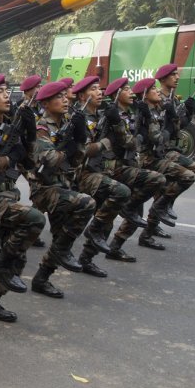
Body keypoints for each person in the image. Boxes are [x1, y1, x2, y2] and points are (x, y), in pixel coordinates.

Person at [0, 74, 46, 322]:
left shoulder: (9, 126)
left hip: (8, 195)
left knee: (18, 256)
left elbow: (31, 163)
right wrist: (9, 156)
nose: (6, 95)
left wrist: (30, 135)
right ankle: (1, 267)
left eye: (6, 91)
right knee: (34, 219)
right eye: (0, 92)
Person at [28, 81, 96, 298]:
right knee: (87, 203)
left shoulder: (67, 122)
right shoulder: (41, 128)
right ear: (46, 103)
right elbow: (49, 160)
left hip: (62, 185)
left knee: (61, 237)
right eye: (59, 97)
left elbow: (78, 159)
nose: (66, 100)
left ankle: (41, 279)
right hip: (44, 189)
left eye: (65, 96)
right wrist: (69, 144)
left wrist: (79, 137)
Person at [97, 78, 166, 261]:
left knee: (136, 212)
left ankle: (114, 248)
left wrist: (145, 122)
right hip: (112, 168)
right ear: (117, 94)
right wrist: (142, 136)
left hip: (128, 165)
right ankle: (88, 257)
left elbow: (145, 137)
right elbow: (129, 142)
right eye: (126, 89)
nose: (131, 93)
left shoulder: (130, 113)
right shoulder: (112, 115)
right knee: (107, 218)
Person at [131, 76, 195, 250]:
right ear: (146, 94)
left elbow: (175, 130)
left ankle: (149, 231)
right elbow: (157, 138)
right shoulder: (144, 111)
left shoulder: (158, 107)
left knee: (165, 190)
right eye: (153, 89)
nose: (177, 77)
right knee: (134, 204)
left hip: (161, 154)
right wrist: (168, 125)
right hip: (148, 159)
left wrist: (187, 114)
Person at [71, 77, 131, 278]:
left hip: (101, 171)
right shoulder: (77, 119)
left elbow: (124, 142)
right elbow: (83, 151)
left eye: (100, 89)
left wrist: (117, 122)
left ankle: (86, 259)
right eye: (93, 89)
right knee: (120, 193)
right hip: (82, 174)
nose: (99, 93)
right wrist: (106, 142)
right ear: (81, 96)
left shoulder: (102, 117)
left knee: (108, 218)